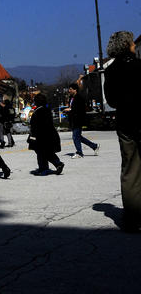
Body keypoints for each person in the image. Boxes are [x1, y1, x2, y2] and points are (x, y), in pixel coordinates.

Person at [104, 31, 141, 232]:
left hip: (125, 122)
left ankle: (132, 217)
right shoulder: (139, 66)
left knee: (130, 170)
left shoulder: (111, 70)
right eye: (133, 42)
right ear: (127, 44)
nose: (135, 45)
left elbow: (111, 100)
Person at [28, 94, 64, 176]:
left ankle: (43, 169)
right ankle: (57, 163)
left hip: (41, 135)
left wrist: (33, 135)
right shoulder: (46, 109)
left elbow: (37, 124)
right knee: (46, 152)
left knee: (41, 152)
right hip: (48, 134)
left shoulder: (39, 111)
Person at [65, 83, 99, 159]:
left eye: (70, 89)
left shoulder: (79, 98)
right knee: (78, 137)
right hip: (73, 120)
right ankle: (94, 146)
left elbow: (79, 110)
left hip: (78, 120)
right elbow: (71, 107)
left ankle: (79, 153)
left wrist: (70, 110)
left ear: (75, 90)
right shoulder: (71, 98)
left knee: (75, 137)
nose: (69, 90)